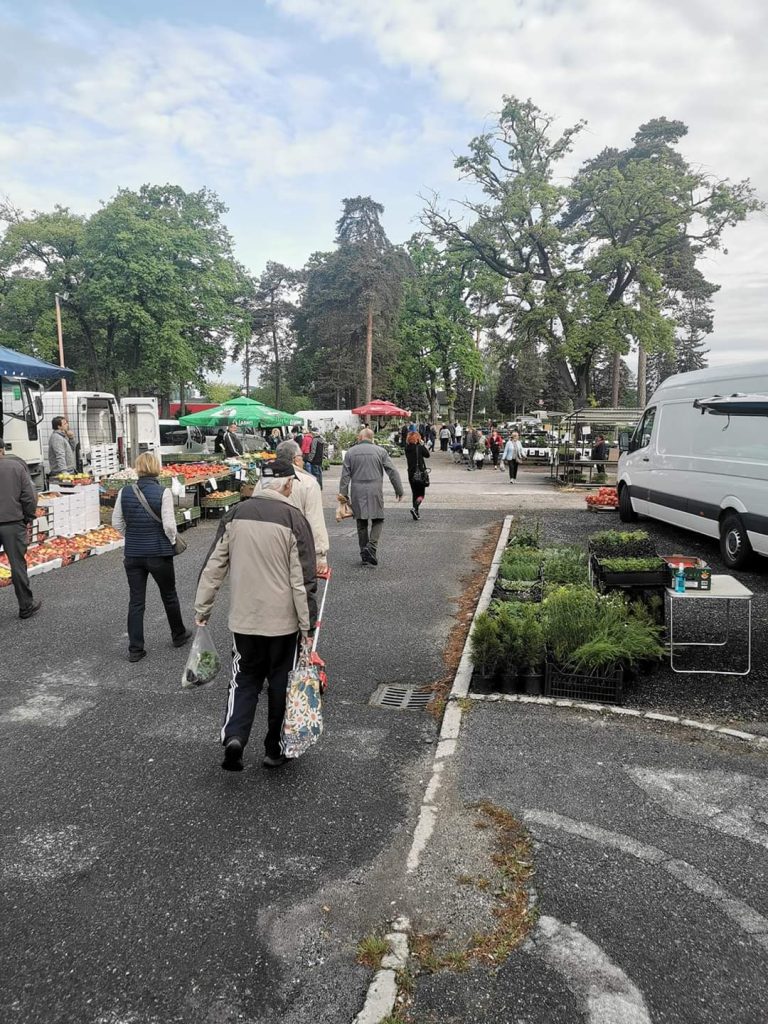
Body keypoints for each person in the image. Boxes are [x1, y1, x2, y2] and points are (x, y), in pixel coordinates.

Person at [194, 458, 318, 772]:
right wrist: (308, 626)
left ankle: (234, 736)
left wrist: (202, 610)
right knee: (281, 682)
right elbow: (302, 581)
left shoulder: (234, 514)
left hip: (244, 620)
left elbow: (213, 568)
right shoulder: (295, 520)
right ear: (288, 485)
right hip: (284, 623)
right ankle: (274, 748)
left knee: (243, 678)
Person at [112, 451, 191, 662]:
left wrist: (133, 536)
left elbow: (116, 523)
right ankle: (178, 635)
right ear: (157, 468)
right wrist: (172, 541)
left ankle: (135, 649)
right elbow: (169, 525)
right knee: (169, 594)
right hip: (158, 553)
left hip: (133, 554)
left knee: (136, 601)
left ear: (138, 468)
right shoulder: (163, 492)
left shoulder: (125, 491)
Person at [339, 428, 403, 566]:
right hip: (375, 489)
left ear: (361, 437)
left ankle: (364, 552)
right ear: (371, 438)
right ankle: (371, 547)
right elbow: (392, 471)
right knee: (378, 519)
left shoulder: (350, 452)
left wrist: (343, 494)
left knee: (361, 522)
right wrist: (399, 489)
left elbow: (345, 475)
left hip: (357, 490)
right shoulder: (381, 451)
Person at [0, 438, 41, 619]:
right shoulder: (15, 467)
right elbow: (29, 497)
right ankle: (25, 606)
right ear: (2, 449)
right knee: (17, 565)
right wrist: (28, 517)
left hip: (12, 520)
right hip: (12, 522)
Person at [276, 439, 330, 573]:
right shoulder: (308, 483)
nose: (304, 461)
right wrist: (320, 555)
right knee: (300, 588)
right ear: (295, 459)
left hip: (269, 547)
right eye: (301, 457)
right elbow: (315, 520)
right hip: (298, 546)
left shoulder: (263, 481)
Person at [405, 430, 430, 521]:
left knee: (414, 493)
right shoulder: (419, 447)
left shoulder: (407, 448)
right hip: (420, 473)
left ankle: (416, 512)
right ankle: (415, 508)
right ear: (417, 439)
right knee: (421, 495)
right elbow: (427, 455)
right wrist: (422, 444)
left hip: (411, 473)